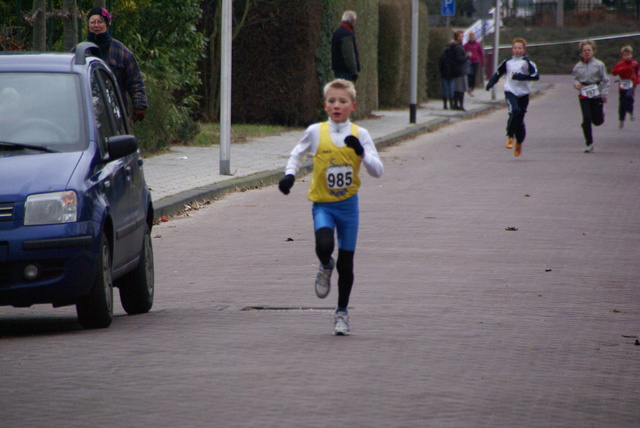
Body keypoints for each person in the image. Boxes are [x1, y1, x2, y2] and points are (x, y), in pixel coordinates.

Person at [278, 79, 383, 336]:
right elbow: (297, 153)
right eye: (333, 101)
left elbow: (378, 171)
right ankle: (325, 265)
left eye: (343, 101)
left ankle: (342, 313)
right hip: (323, 205)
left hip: (348, 207)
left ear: (353, 106)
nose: (337, 106)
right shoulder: (315, 131)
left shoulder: (362, 135)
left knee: (346, 264)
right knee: (324, 246)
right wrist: (290, 175)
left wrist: (362, 153)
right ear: (325, 105)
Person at [86, 7, 147, 122]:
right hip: (86, 113)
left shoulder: (121, 52)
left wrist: (139, 105)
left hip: (116, 113)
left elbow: (135, 81)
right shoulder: (78, 52)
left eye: (100, 22)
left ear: (107, 25)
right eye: (93, 22)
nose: (96, 25)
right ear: (88, 26)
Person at [486, 37, 539, 157]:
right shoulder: (507, 62)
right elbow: (498, 73)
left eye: (520, 48)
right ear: (512, 49)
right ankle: (510, 136)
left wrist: (522, 77)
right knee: (514, 111)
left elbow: (536, 76)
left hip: (523, 93)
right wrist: (491, 83)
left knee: (520, 120)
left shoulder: (527, 62)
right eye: (515, 48)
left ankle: (519, 142)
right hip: (510, 91)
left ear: (524, 50)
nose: (517, 50)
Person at [572, 40, 609, 153]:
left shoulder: (599, 65)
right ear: (581, 53)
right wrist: (576, 83)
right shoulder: (578, 67)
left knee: (597, 121)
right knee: (586, 118)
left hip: (596, 93)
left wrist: (604, 94)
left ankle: (600, 115)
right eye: (584, 51)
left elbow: (605, 80)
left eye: (589, 50)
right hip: (584, 94)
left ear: (593, 52)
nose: (587, 52)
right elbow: (574, 77)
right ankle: (589, 143)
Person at [611, 45, 639, 129]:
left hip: (631, 84)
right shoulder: (620, 64)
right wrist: (620, 70)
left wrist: (637, 81)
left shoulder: (635, 64)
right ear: (623, 56)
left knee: (629, 98)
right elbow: (613, 72)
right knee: (622, 103)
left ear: (631, 55)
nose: (627, 57)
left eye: (628, 55)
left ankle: (630, 111)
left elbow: (637, 73)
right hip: (622, 85)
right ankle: (621, 119)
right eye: (625, 55)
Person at [331, 11, 361, 82]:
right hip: (345, 72)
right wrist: (354, 72)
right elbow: (349, 55)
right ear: (352, 21)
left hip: (338, 70)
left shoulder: (337, 32)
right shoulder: (346, 35)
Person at [451, 30, 469, 111]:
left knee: (457, 89)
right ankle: (459, 105)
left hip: (458, 70)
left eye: (462, 36)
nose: (461, 38)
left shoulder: (458, 46)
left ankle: (455, 104)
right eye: (460, 37)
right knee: (460, 89)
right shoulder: (457, 47)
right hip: (460, 70)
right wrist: (467, 56)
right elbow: (459, 59)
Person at [464, 32, 485, 97]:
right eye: (471, 37)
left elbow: (481, 53)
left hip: (475, 62)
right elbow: (463, 52)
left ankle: (472, 88)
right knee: (469, 75)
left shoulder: (477, 44)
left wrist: (483, 61)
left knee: (473, 76)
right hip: (469, 62)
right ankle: (469, 88)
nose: (472, 38)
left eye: (473, 37)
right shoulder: (466, 45)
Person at [439, 41, 455, 110]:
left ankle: (445, 105)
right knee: (451, 89)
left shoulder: (443, 57)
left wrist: (441, 73)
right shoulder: (453, 57)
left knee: (445, 89)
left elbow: (440, 66)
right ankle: (451, 104)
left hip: (444, 75)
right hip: (451, 75)